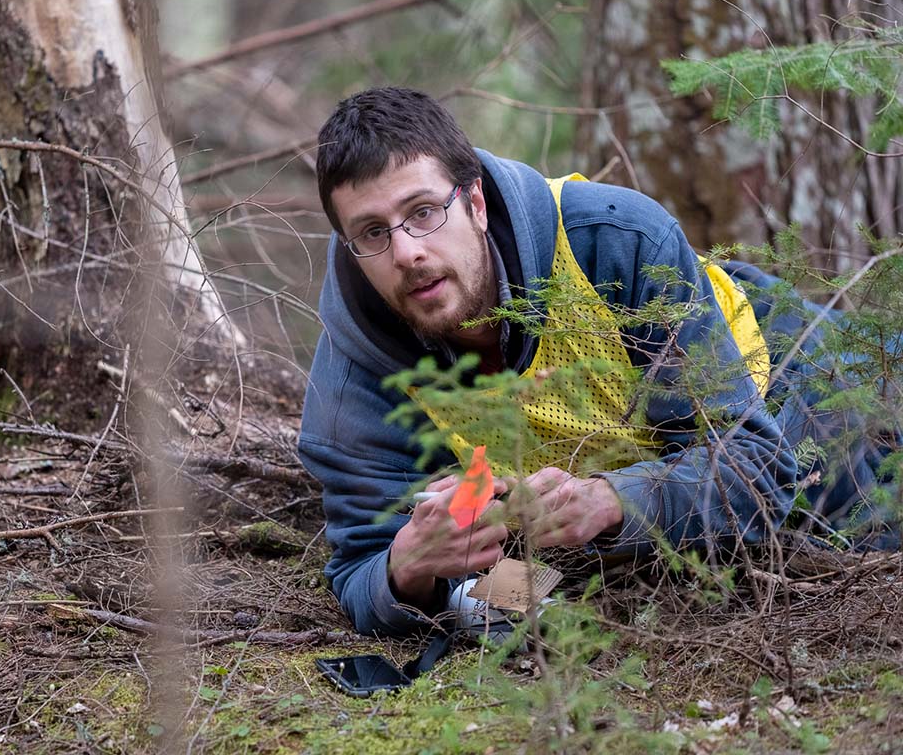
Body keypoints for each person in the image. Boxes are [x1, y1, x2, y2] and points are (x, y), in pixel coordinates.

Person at [297, 86, 900, 637]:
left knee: (864, 554)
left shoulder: (614, 241)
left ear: (475, 202)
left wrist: (615, 501)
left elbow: (757, 467)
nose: (407, 252)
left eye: (424, 211)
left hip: (788, 381)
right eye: (372, 233)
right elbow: (359, 570)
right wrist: (409, 568)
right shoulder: (357, 371)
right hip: (637, 486)